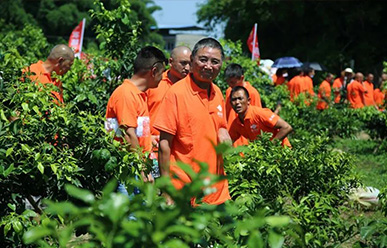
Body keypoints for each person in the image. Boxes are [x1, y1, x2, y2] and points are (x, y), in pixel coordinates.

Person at [154, 38, 231, 206]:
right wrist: (167, 190)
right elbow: (164, 145)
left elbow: (219, 125)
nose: (208, 66)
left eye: (215, 62)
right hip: (184, 190)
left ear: (221, 65)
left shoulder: (217, 92)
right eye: (203, 59)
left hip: (216, 191)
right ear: (192, 60)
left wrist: (223, 131)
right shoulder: (177, 94)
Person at [105, 46, 167, 184]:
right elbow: (128, 135)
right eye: (162, 73)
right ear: (154, 71)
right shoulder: (126, 94)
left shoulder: (139, 95)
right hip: (128, 171)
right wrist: (142, 170)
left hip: (135, 168)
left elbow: (133, 132)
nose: (162, 78)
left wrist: (149, 138)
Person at [147, 46, 191, 143]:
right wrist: (146, 138)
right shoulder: (154, 83)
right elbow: (140, 113)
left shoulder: (192, 87)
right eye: (183, 63)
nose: (187, 68)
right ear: (170, 62)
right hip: (153, 145)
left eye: (190, 64)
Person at [228, 86, 292, 147]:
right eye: (234, 100)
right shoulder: (237, 123)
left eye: (240, 98)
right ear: (230, 104)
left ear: (248, 101)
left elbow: (286, 127)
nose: (237, 102)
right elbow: (228, 142)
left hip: (281, 151)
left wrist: (270, 146)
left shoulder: (260, 113)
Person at [224, 63, 262, 147]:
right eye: (228, 82)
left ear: (242, 78)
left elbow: (256, 119)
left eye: (233, 82)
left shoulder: (252, 93)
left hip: (245, 141)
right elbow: (226, 114)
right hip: (232, 136)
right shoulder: (229, 91)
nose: (230, 85)